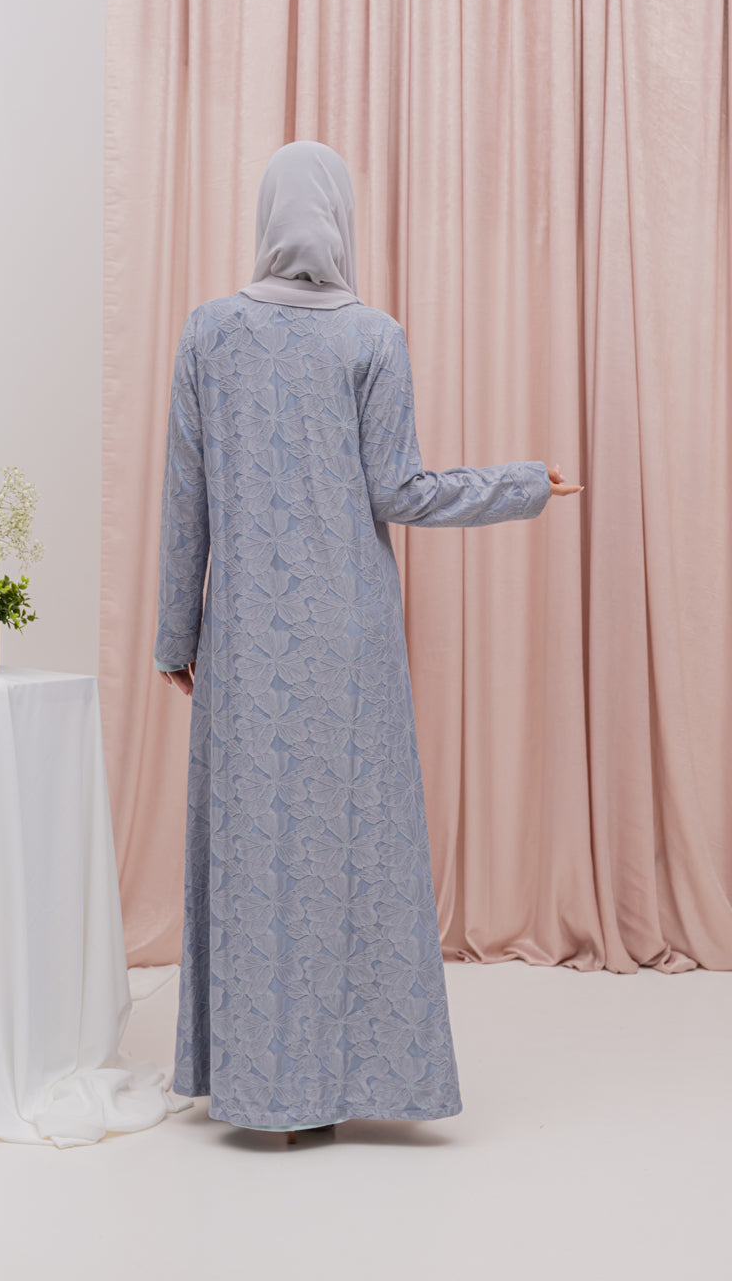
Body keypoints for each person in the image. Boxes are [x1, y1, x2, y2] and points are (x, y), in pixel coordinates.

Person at [153, 139, 583, 1143]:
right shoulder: (372, 337)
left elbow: (186, 500)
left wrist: (178, 634)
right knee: (354, 851)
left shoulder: (209, 333)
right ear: (340, 218)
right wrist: (522, 483)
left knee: (259, 853)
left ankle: (263, 1084)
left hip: (247, 641)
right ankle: (352, 1077)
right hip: (349, 644)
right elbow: (401, 491)